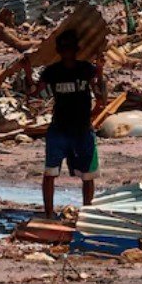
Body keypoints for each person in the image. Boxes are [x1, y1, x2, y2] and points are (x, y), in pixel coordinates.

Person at [25, 29, 104, 219]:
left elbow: (101, 95)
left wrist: (100, 72)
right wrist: (27, 71)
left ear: (76, 50)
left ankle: (87, 214)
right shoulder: (53, 72)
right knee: (50, 172)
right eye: (64, 48)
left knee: (88, 175)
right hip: (60, 128)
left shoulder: (86, 70)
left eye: (70, 48)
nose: (67, 52)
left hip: (82, 129)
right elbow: (34, 92)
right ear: (59, 51)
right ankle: (49, 213)